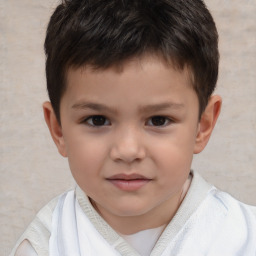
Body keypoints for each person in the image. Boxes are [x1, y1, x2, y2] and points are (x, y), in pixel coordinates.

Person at [10, 0, 256, 255]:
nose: (127, 150)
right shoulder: (45, 246)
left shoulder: (245, 238)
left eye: (158, 120)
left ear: (202, 126)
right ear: (58, 128)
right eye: (97, 120)